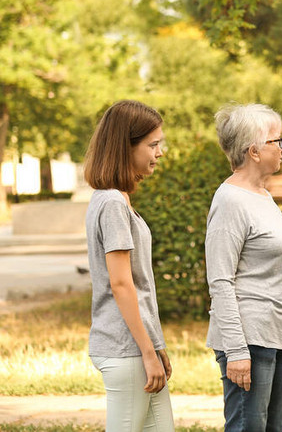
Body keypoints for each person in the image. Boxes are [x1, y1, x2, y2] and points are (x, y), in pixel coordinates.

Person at [205, 103, 282, 432]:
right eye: (276, 141)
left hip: (279, 337)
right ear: (253, 151)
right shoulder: (230, 201)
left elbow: (273, 275)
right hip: (249, 340)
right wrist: (236, 350)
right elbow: (221, 281)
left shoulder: (262, 196)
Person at [83, 100, 175, 432]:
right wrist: (148, 352)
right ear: (126, 146)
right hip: (126, 350)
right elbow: (121, 284)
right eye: (153, 145)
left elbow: (137, 283)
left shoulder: (117, 198)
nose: (159, 152)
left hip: (138, 347)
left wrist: (157, 344)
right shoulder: (111, 203)